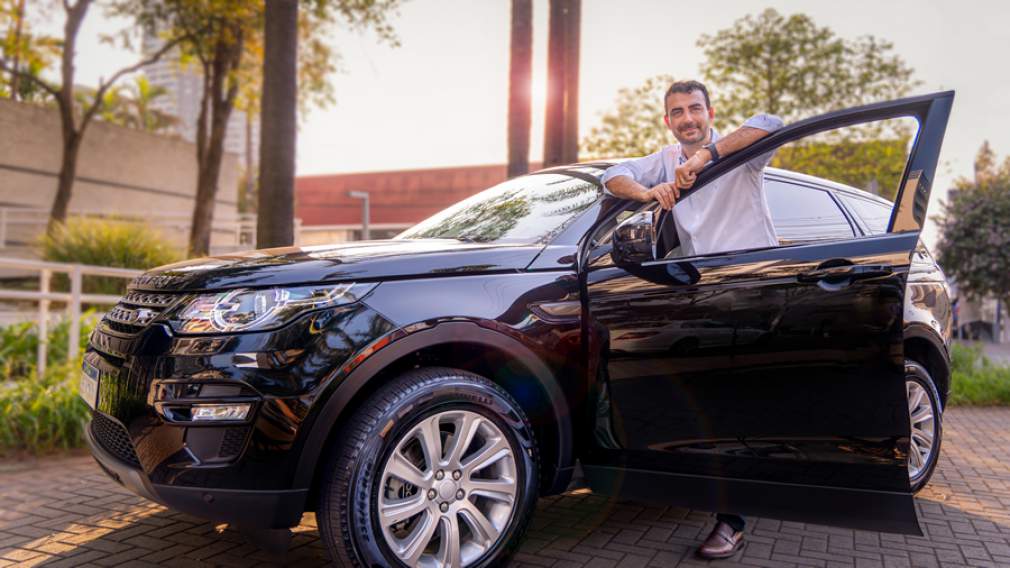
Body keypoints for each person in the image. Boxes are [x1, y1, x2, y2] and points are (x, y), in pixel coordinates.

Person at [600, 79, 784, 559]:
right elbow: (612, 176)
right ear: (668, 120)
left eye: (695, 109)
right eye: (678, 111)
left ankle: (733, 520)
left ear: (710, 112)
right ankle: (720, 495)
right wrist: (648, 191)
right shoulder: (663, 159)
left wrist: (705, 157)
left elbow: (771, 124)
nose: (687, 118)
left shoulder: (740, 153)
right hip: (705, 297)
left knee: (736, 407)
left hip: (755, 289)